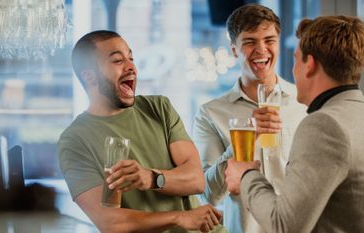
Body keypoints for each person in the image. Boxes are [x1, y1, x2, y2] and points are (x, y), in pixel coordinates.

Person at [58, 30, 226, 233]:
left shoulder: (159, 108)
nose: (131, 67)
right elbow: (110, 222)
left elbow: (197, 180)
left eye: (131, 58)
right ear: (89, 76)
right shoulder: (74, 141)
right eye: (118, 60)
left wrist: (151, 178)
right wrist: (179, 218)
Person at [225, 15, 364, 232]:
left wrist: (245, 175)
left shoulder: (324, 125)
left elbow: (285, 225)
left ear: (309, 64)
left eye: (296, 59)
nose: (292, 70)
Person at [192, 4, 306, 233]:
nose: (261, 49)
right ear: (234, 49)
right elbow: (208, 194)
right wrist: (244, 139)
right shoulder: (210, 113)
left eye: (269, 40)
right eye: (250, 42)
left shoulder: (304, 102)